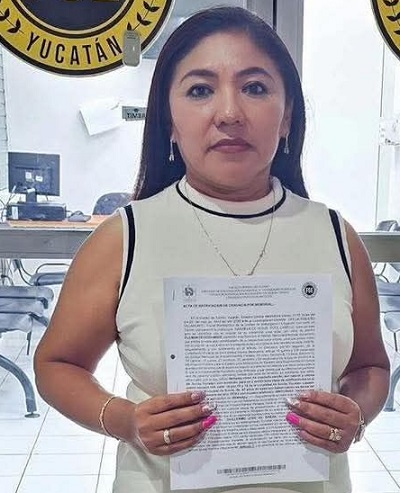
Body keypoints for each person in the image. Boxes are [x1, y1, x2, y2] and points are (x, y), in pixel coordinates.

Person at [34, 6, 390, 493]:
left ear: (287, 117)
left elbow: (370, 367)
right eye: (200, 90)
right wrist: (126, 420)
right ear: (169, 121)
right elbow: (57, 365)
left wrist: (357, 413)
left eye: (255, 88)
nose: (229, 113)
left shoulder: (335, 235)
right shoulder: (124, 238)